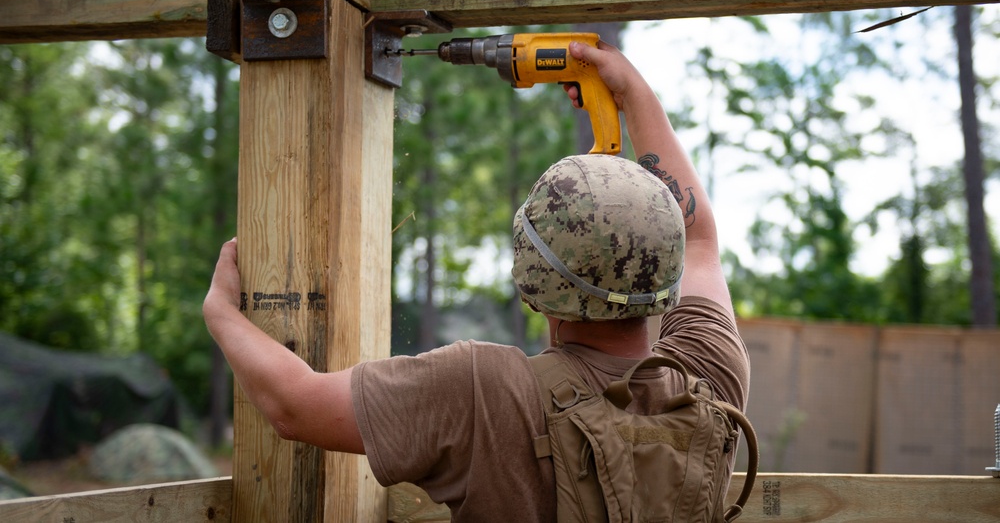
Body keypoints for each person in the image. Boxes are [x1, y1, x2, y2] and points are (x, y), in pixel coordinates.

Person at [203, 40, 750, 522]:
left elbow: (295, 406)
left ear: (535, 282)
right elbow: (699, 236)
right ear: (665, 266)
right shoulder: (709, 373)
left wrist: (222, 314)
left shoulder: (484, 391)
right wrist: (633, 92)